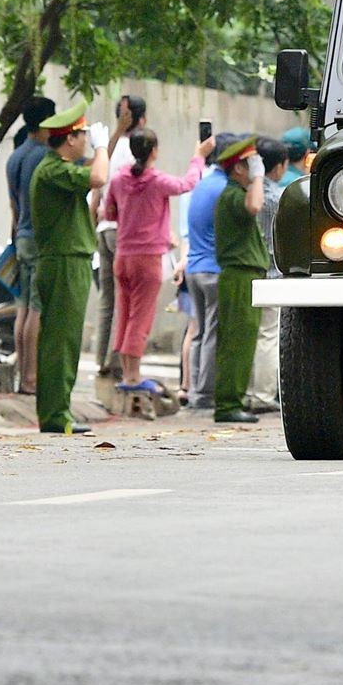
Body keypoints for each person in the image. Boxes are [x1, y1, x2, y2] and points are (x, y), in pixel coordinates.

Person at [100, 122, 211, 395]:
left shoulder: (118, 179)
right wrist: (198, 156)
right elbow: (189, 183)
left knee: (124, 315)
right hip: (147, 258)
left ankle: (127, 372)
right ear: (154, 151)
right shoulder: (157, 181)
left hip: (123, 257)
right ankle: (134, 377)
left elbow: (109, 213)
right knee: (141, 318)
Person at [29, 105, 120, 435]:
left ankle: (58, 411)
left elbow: (95, 173)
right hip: (64, 261)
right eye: (82, 135)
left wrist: (105, 143)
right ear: (70, 139)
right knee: (61, 340)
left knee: (65, 339)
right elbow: (98, 176)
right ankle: (55, 415)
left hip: (71, 260)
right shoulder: (52, 170)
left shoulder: (59, 167)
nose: (86, 141)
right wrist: (101, 147)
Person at [210, 136, 269, 425]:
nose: (256, 171)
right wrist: (258, 178)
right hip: (238, 276)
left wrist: (255, 175)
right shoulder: (233, 195)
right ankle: (228, 404)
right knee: (236, 342)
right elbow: (255, 205)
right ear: (238, 170)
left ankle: (232, 400)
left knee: (242, 342)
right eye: (250, 164)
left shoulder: (233, 192)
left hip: (245, 276)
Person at [5, 95, 56, 394]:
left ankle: (21, 375)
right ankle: (31, 379)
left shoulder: (16, 156)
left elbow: (13, 204)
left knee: (22, 308)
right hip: (38, 237)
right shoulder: (42, 157)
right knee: (36, 309)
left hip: (21, 235)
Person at [90, 94, 143, 380]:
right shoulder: (135, 151)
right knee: (127, 302)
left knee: (107, 301)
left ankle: (101, 360)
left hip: (102, 227)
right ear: (142, 120)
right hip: (124, 232)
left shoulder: (106, 151)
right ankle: (118, 363)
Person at [181, 136, 235, 410]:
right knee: (213, 333)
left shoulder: (203, 183)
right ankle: (205, 395)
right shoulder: (226, 188)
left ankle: (196, 393)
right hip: (214, 270)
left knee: (200, 332)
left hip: (194, 268)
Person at [248, 136, 290, 411]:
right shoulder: (277, 199)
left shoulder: (248, 193)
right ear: (278, 168)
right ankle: (263, 395)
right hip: (272, 273)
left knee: (250, 335)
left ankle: (249, 392)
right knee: (267, 336)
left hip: (250, 270)